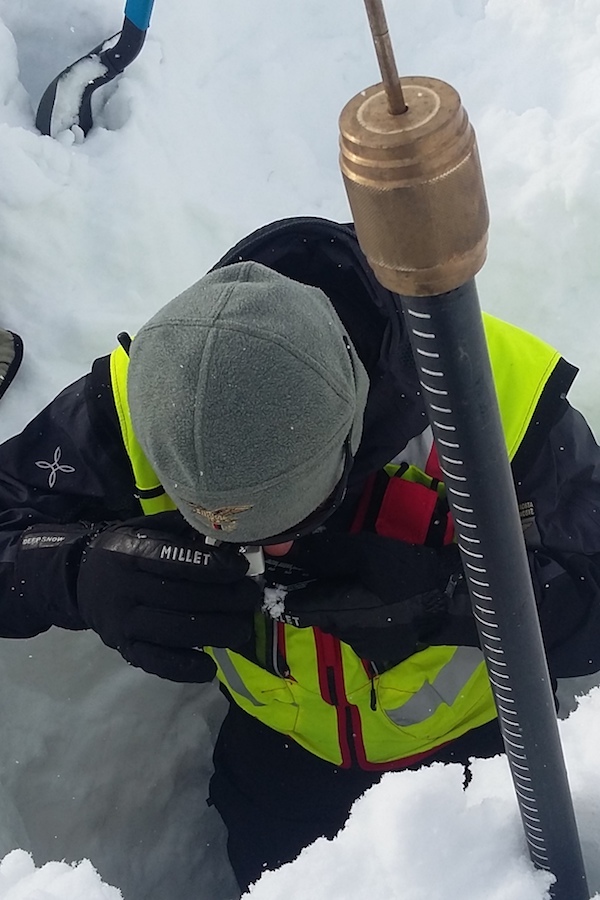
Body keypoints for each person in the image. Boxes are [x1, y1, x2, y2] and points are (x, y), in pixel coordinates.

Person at [1, 217, 600, 891]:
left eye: (291, 522)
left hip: (486, 760)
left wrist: (450, 602)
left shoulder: (489, 396)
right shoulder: (139, 400)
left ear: (352, 440)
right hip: (279, 764)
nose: (263, 554)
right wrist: (73, 572)